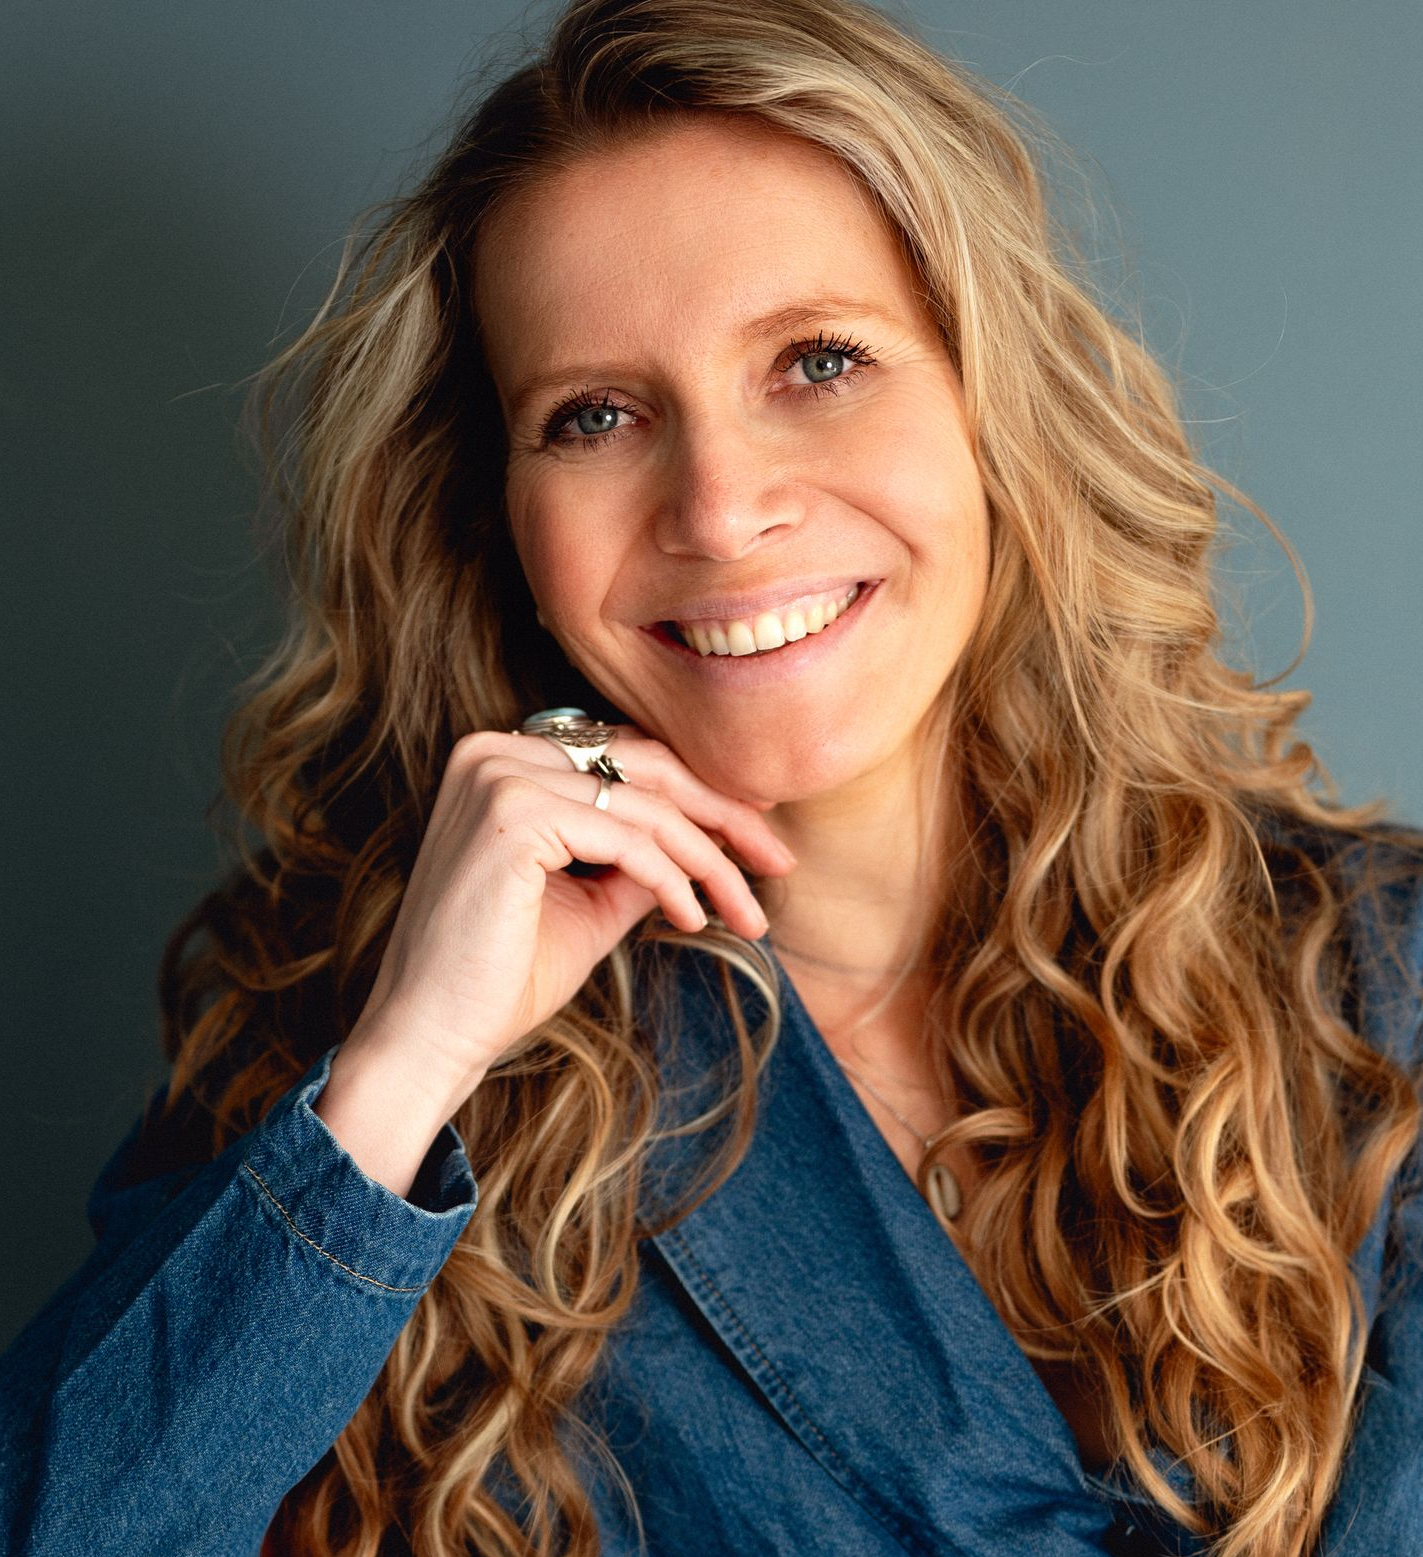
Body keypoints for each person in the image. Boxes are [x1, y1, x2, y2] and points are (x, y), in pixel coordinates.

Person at [3, 0, 1421, 1553]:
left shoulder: (1384, 988)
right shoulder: (344, 1040)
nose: (721, 508)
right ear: (498, 519)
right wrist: (408, 1069)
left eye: (818, 361)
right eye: (594, 415)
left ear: (992, 407)